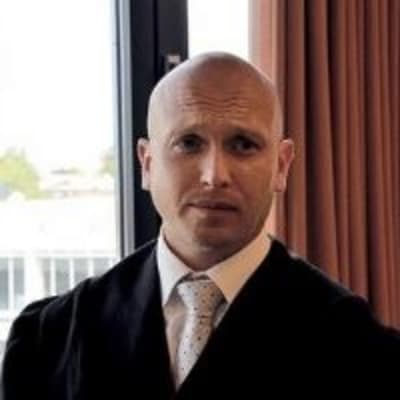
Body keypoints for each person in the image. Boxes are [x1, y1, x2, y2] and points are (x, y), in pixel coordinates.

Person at [2, 52, 400, 399]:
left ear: (281, 166)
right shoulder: (52, 338)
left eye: (243, 145)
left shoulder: (357, 347)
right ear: (147, 163)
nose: (214, 176)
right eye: (189, 143)